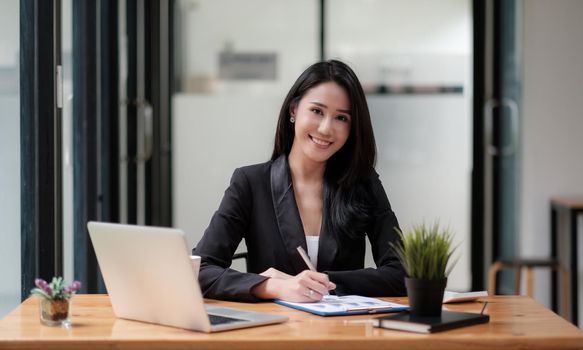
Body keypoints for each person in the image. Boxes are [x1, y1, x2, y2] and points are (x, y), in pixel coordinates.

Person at [193, 60, 406, 302]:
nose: (326, 128)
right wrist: (272, 286)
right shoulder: (250, 183)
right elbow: (200, 269)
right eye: (317, 111)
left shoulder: (363, 183)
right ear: (293, 110)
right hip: (273, 332)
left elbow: (402, 273)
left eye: (341, 118)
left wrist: (320, 282)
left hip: (343, 333)